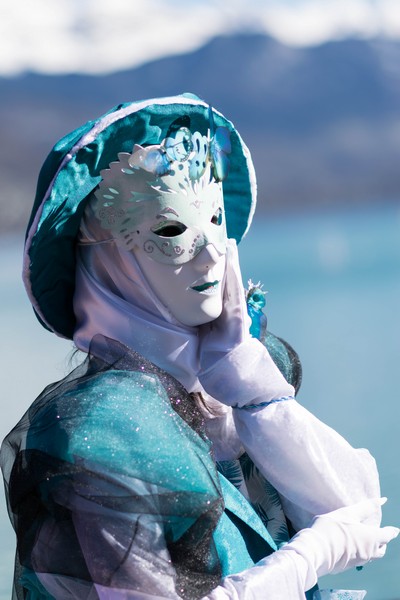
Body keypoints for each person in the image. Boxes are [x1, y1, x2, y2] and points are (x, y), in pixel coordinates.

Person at [1, 93, 397, 600]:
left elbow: (355, 510)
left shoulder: (232, 374)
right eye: (172, 229)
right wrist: (308, 558)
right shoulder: (100, 429)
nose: (212, 252)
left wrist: (256, 393)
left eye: (215, 219)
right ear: (107, 264)